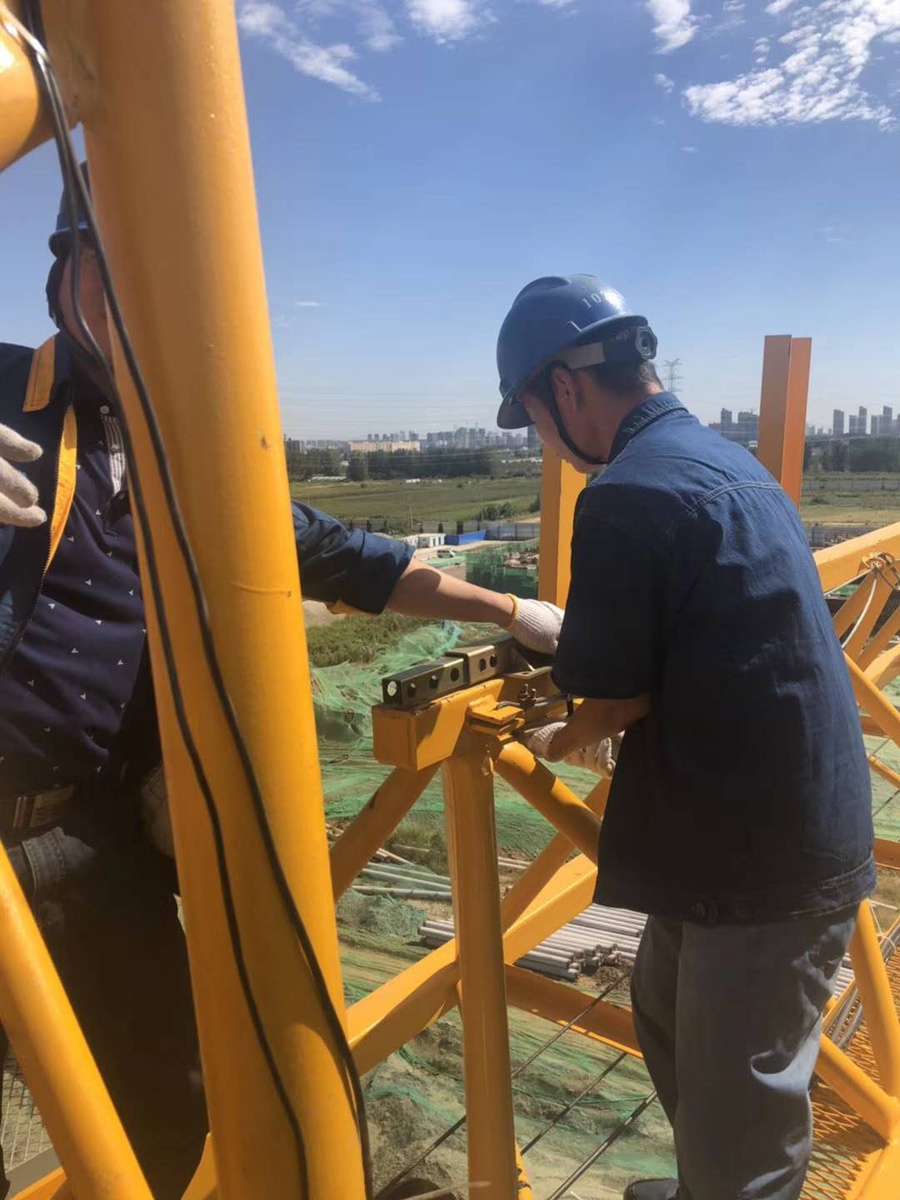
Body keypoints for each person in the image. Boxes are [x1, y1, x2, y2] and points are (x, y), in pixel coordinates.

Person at [0, 179, 564, 1199]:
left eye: (156, 275)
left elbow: (347, 558)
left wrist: (512, 611)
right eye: (102, 266)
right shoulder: (4, 394)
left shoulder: (186, 445)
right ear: (62, 279)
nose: (128, 299)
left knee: (163, 1116)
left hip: (90, 841)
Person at [498, 275, 874, 1200]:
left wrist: (547, 735)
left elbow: (610, 701)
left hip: (760, 862)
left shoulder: (626, 493)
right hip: (763, 822)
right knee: (665, 1008)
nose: (546, 443)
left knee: (743, 1107)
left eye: (536, 420)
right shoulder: (721, 459)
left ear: (565, 387)